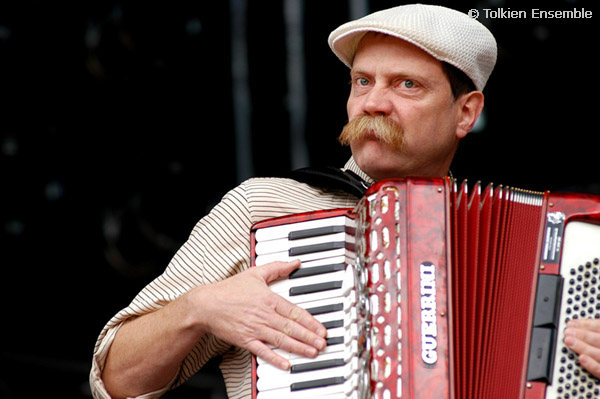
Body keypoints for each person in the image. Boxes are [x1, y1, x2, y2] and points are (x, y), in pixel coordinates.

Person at [90, 4, 600, 399]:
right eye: (363, 81)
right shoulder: (265, 206)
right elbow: (114, 380)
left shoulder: (547, 239)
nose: (374, 101)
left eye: (406, 85)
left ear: (465, 112)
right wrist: (197, 309)